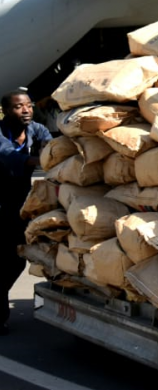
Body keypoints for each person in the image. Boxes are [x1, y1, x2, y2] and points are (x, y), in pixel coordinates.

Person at [0, 90, 52, 335]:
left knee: (17, 260)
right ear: (6, 111)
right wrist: (47, 158)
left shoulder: (36, 130)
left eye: (29, 106)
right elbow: (10, 157)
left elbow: (50, 144)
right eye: (19, 107)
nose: (26, 110)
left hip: (19, 206)